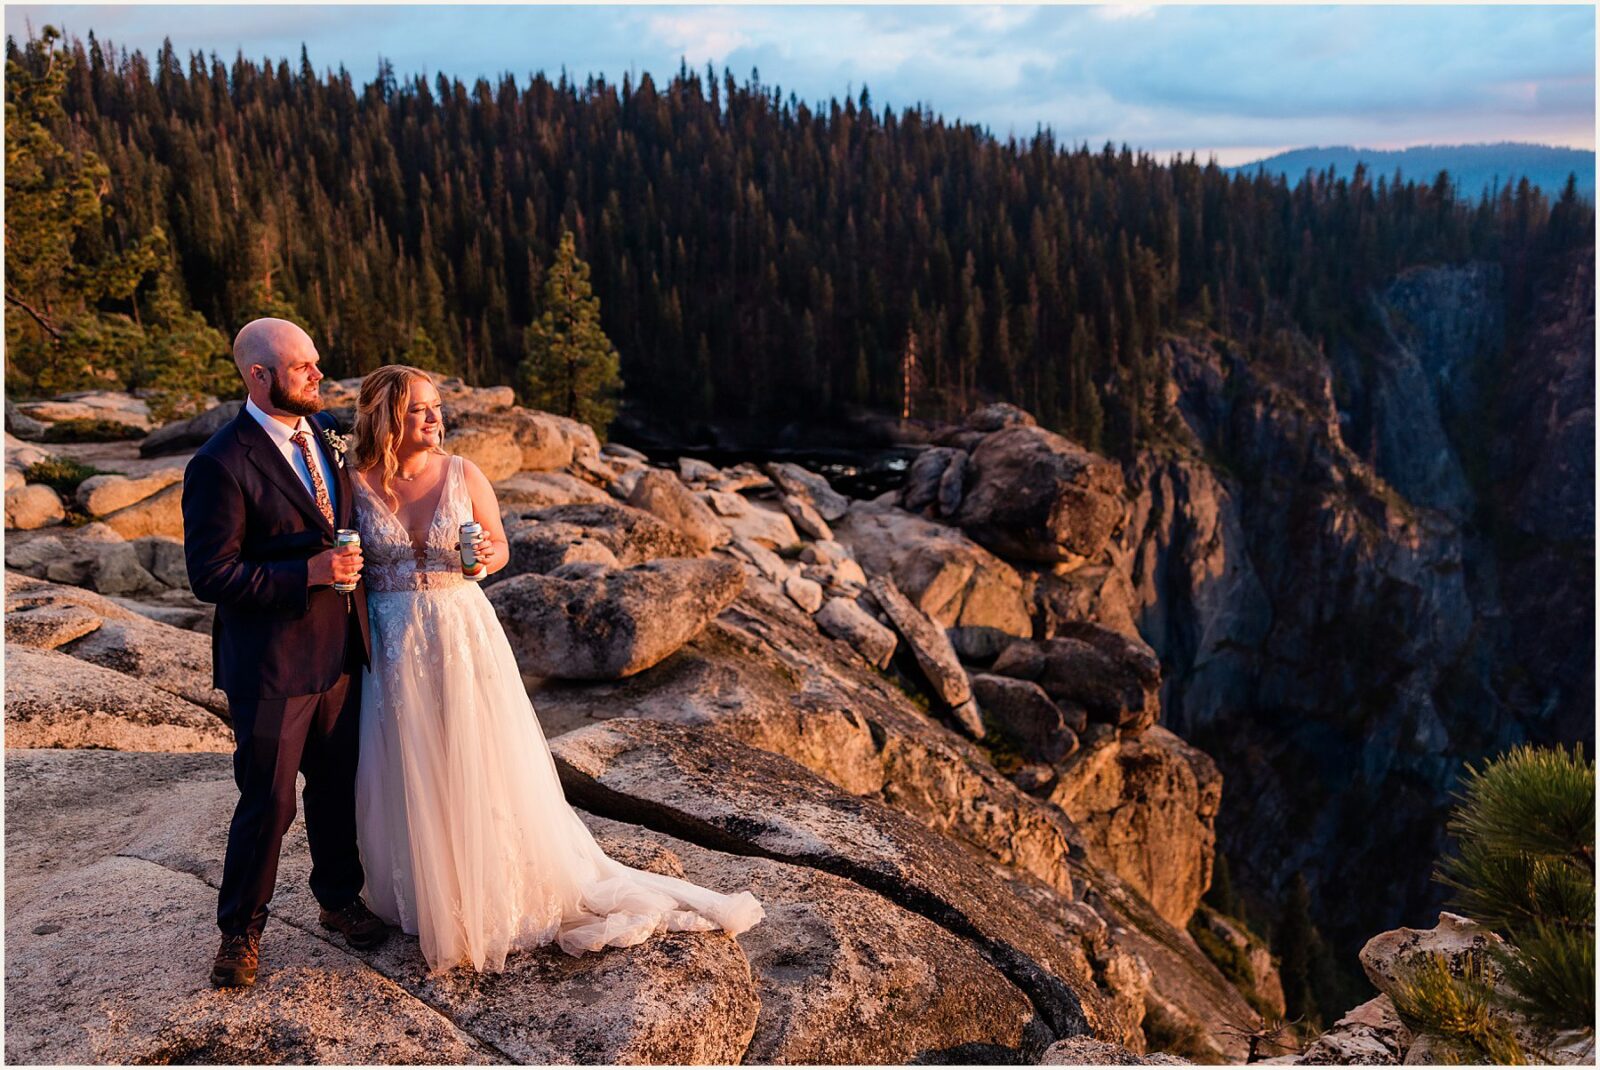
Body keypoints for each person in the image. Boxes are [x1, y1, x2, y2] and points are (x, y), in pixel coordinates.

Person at [348, 364, 765, 972]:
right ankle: (424, 887)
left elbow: (498, 545)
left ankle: (493, 886)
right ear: (385, 417)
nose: (436, 418)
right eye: (420, 409)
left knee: (479, 759)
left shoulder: (463, 473)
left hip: (461, 631)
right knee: (406, 760)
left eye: (436, 406)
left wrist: (490, 554)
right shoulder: (351, 481)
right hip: (387, 638)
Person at [182, 318, 391, 990]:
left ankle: (337, 900)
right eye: (303, 368)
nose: (318, 377)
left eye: (316, 365)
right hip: (271, 663)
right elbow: (211, 574)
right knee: (269, 802)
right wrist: (309, 574)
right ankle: (240, 931)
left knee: (335, 789)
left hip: (341, 650)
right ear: (258, 376)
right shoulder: (219, 462)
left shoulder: (324, 432)